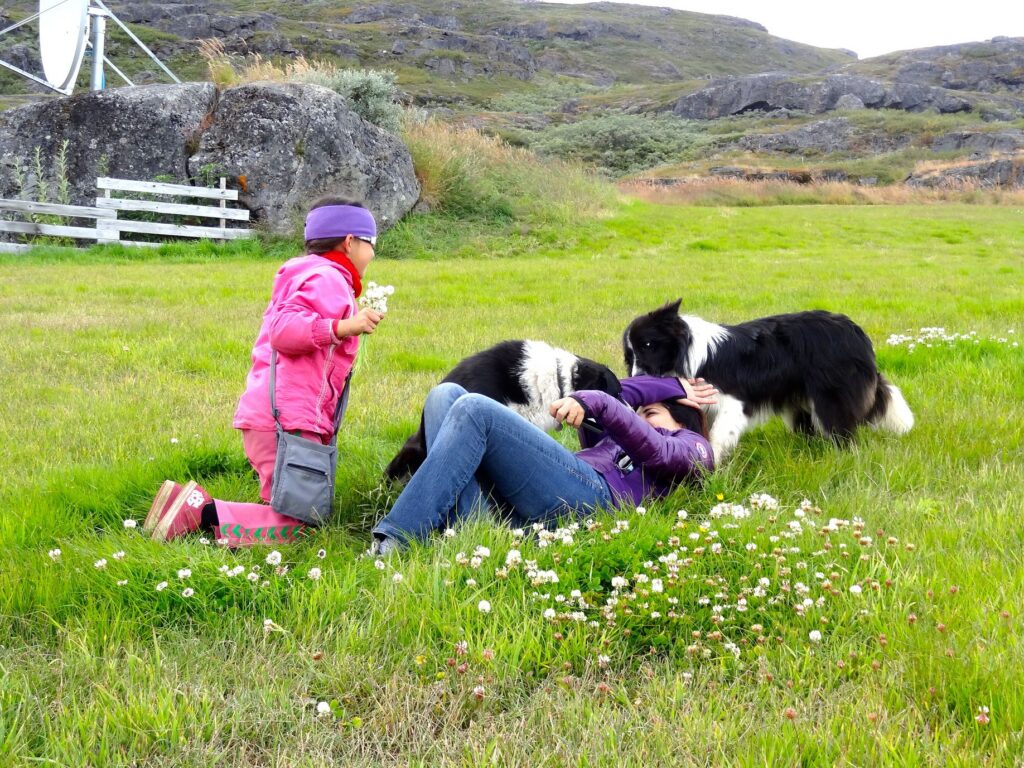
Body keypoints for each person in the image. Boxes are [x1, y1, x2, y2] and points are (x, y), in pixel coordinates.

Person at [143, 197, 384, 546]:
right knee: (297, 527)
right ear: (349, 242)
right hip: (287, 421)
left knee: (290, 510)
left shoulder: (309, 275)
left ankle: (180, 499)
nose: (373, 255)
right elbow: (284, 330)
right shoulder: (327, 278)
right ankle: (200, 511)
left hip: (274, 416)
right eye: (371, 244)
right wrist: (343, 327)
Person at [370, 375, 717, 553]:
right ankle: (474, 532)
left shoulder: (693, 447)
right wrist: (668, 385)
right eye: (640, 414)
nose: (639, 419)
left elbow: (655, 449)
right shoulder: (613, 437)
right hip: (555, 491)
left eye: (652, 413)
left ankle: (395, 540)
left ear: (683, 420)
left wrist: (596, 402)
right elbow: (614, 389)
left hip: (597, 502)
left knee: (475, 408)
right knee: (445, 395)